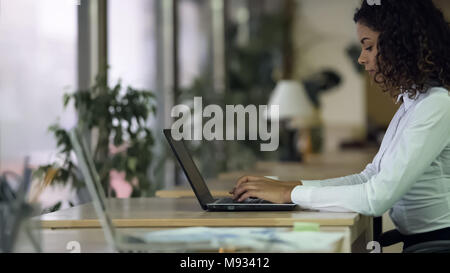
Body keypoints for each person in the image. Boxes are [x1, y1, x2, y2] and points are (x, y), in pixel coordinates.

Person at [231, 0, 450, 251]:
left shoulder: (436, 106)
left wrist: (287, 195)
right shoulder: (413, 104)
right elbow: (369, 177)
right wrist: (292, 188)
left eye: (368, 46)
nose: (361, 58)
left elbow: (376, 197)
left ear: (399, 46)